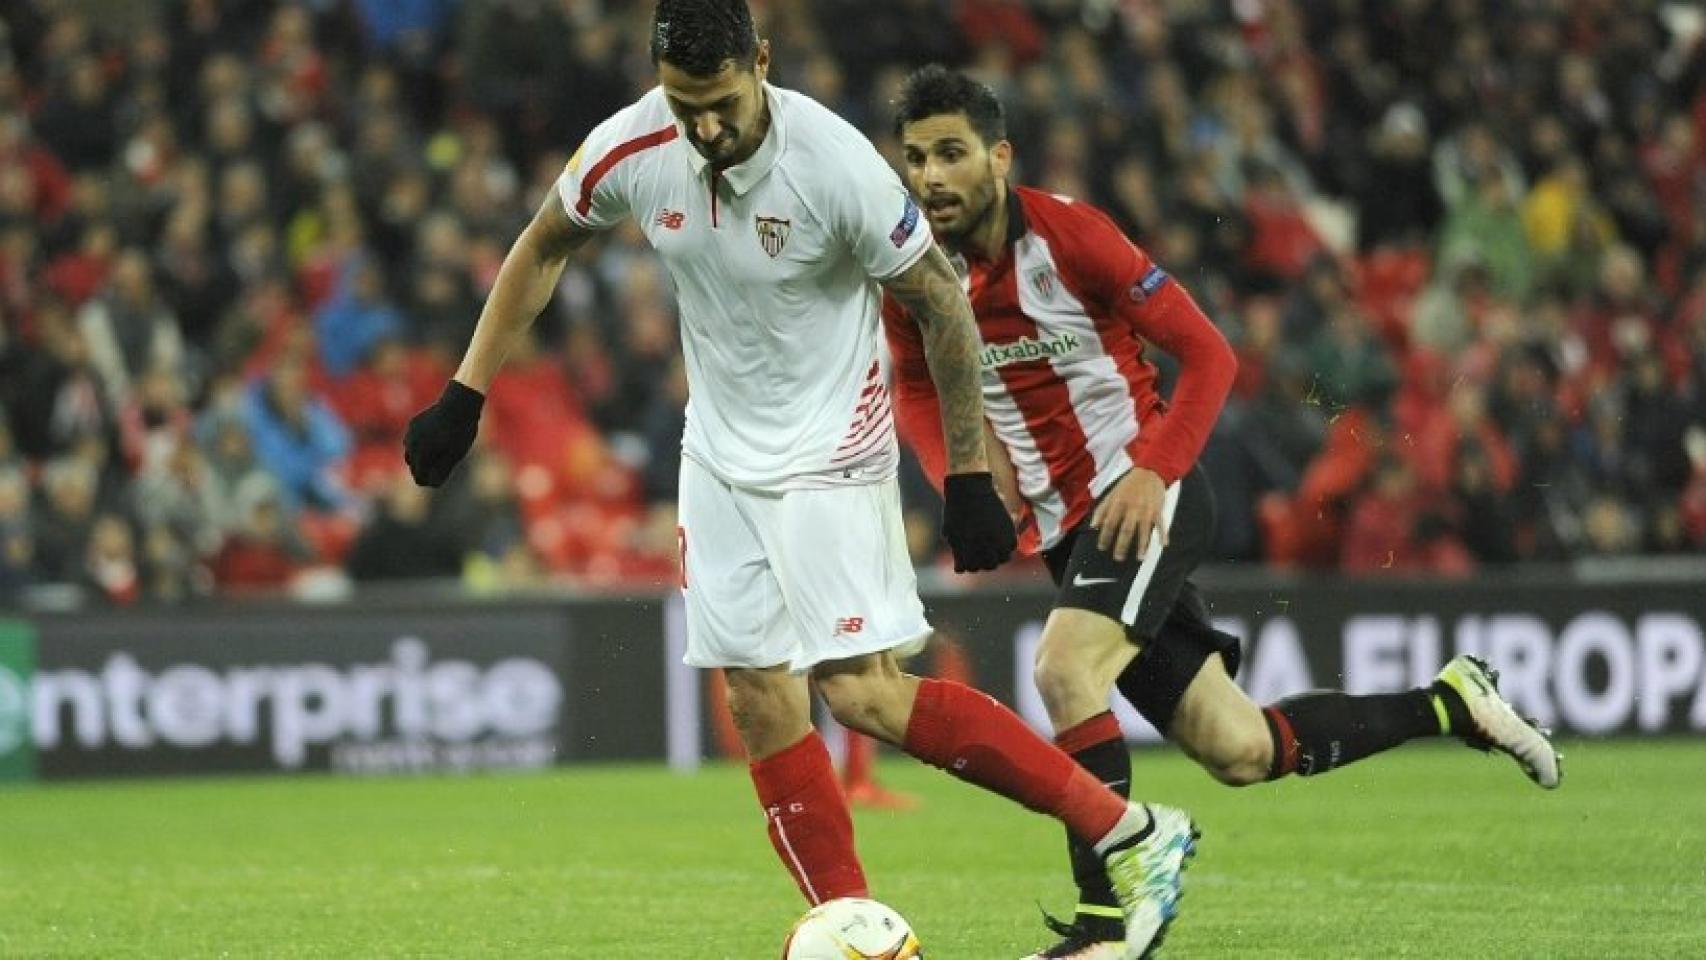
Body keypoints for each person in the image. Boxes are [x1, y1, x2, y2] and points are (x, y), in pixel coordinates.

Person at [403, 5, 1195, 955]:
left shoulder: (834, 165)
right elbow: (543, 245)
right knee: (756, 694)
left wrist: (970, 474)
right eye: (684, 103)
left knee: (860, 693)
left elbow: (940, 301)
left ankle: (1131, 832)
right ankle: (854, 925)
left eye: (723, 104)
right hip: (720, 452)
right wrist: (465, 391)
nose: (704, 127)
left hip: (835, 447)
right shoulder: (631, 146)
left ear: (762, 64)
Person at [883, 66, 1563, 960]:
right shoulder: (917, 275)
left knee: (1061, 672)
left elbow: (1209, 355)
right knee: (1240, 748)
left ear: (999, 158)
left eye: (951, 154)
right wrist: (961, 476)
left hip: (1143, 501)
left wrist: (1151, 471)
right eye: (916, 158)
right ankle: (1452, 705)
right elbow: (916, 387)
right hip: (1066, 529)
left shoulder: (1074, 238)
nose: (931, 177)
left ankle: (1106, 923)